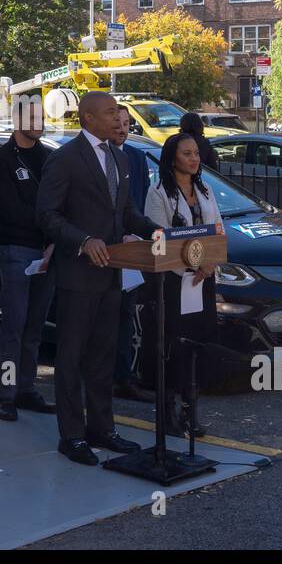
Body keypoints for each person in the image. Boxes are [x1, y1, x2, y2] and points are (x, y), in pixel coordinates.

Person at [36, 92, 161, 466]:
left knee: (103, 356)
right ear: (88, 118)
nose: (117, 118)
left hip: (112, 272)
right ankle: (72, 436)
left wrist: (157, 231)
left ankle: (102, 428)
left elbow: (125, 212)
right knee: (71, 356)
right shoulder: (65, 159)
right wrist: (83, 241)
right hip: (77, 274)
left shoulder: (120, 158)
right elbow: (47, 215)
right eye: (110, 113)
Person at [144, 132, 224, 438]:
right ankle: (168, 411)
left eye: (196, 153)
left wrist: (210, 263)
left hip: (202, 279)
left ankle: (192, 409)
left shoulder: (205, 189)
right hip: (175, 281)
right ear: (172, 158)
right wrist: (192, 264)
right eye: (186, 154)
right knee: (173, 347)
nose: (194, 159)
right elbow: (160, 239)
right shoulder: (159, 193)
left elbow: (217, 230)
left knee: (197, 346)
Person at [0, 101, 56, 421]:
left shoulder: (49, 157)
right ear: (17, 120)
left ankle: (27, 388)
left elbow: (60, 204)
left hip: (48, 253)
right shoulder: (0, 160)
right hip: (17, 251)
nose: (39, 122)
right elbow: (8, 210)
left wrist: (54, 241)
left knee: (35, 327)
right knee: (13, 326)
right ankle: (7, 393)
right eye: (32, 117)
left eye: (42, 116)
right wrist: (48, 224)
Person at [113, 105, 156, 403]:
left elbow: (139, 203)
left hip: (132, 250)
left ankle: (124, 377)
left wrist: (143, 234)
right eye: (116, 122)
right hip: (105, 250)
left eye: (127, 123)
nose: (122, 128)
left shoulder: (137, 157)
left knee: (126, 315)